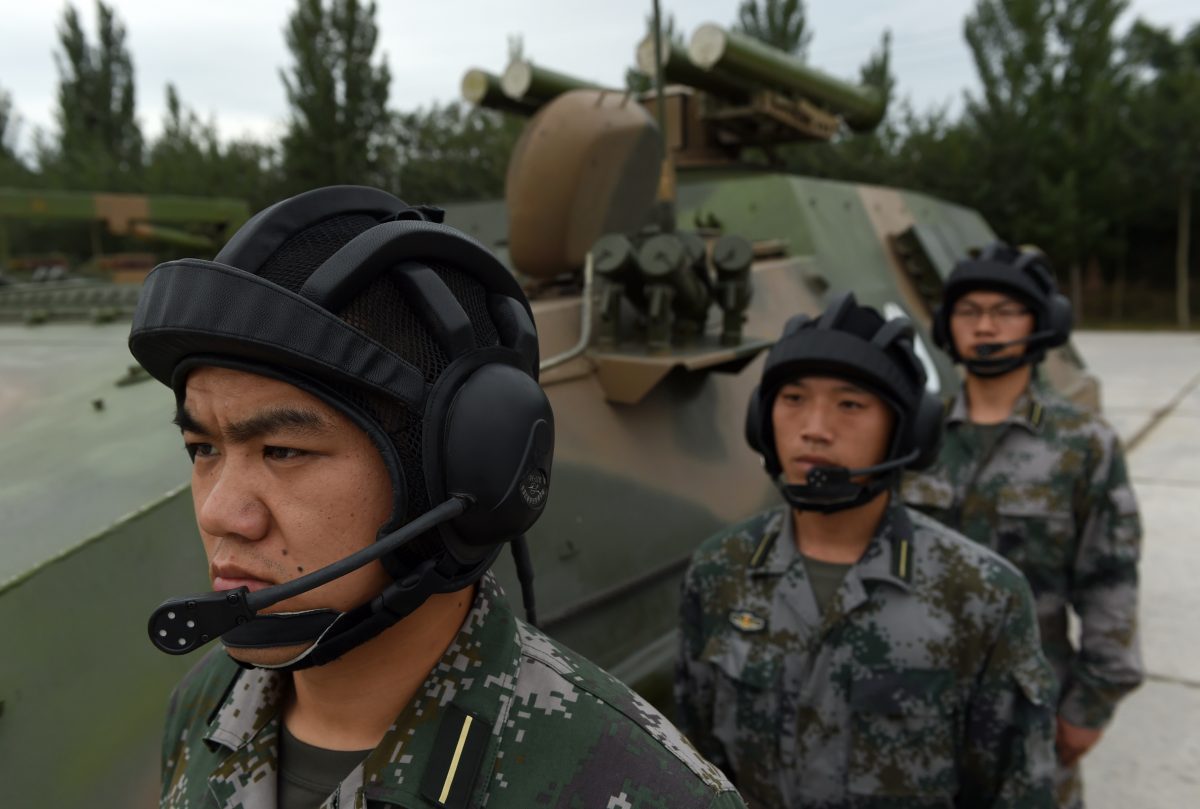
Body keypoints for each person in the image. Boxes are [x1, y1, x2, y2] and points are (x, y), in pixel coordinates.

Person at [130, 185, 745, 809]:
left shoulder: (641, 789)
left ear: (458, 473)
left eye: (283, 451)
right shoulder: (206, 704)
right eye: (203, 450)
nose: (218, 513)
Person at [675, 292, 1058, 808]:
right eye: (792, 399)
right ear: (761, 420)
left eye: (850, 404)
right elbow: (695, 764)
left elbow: (1016, 792)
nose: (814, 427)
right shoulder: (720, 570)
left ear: (906, 431)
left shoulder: (982, 594)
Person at [902, 243, 1144, 809]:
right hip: (913, 712)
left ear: (1043, 323)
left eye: (1005, 311)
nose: (985, 326)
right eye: (968, 311)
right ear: (946, 326)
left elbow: (1111, 585)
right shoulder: (915, 439)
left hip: (1032, 714)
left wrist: (1089, 708)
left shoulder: (1083, 443)